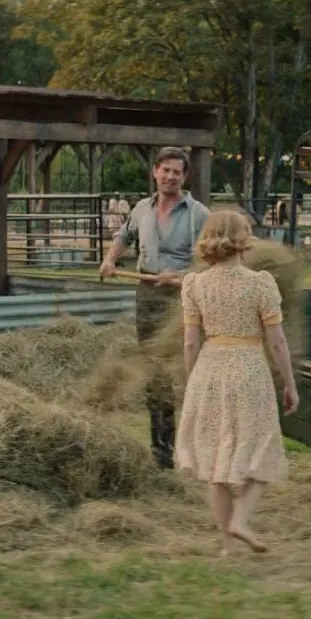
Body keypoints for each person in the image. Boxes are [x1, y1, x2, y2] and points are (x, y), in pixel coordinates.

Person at [173, 208, 299, 556]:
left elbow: (189, 342)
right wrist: (290, 383)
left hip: (210, 368)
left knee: (215, 459)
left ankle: (227, 546)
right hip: (248, 368)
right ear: (244, 239)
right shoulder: (260, 283)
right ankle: (241, 519)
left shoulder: (195, 285)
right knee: (262, 443)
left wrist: (192, 381)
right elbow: (277, 341)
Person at [100, 146, 209, 469]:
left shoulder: (198, 214)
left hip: (182, 298)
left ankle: (196, 446)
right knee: (154, 371)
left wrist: (182, 276)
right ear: (155, 172)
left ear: (185, 177)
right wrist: (110, 258)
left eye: (177, 172)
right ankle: (161, 451)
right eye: (166, 170)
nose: (170, 176)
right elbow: (124, 236)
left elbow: (212, 260)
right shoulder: (141, 210)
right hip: (146, 293)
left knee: (185, 368)